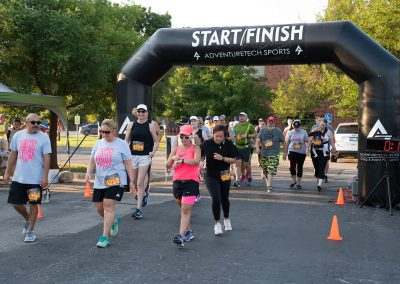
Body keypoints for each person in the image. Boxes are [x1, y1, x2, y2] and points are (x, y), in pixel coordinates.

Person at [86, 119, 135, 248]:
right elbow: (92, 160)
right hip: (100, 180)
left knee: (108, 205)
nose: (104, 134)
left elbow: (128, 164)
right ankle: (113, 221)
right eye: (102, 132)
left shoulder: (122, 144)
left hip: (116, 179)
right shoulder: (98, 144)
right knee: (98, 207)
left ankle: (104, 237)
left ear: (114, 130)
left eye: (107, 132)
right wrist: (88, 172)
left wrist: (132, 182)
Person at [4, 113, 51, 242]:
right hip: (19, 178)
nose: (36, 125)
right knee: (15, 203)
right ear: (27, 122)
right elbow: (13, 154)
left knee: (33, 204)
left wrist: (45, 177)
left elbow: (47, 157)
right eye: (33, 122)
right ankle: (28, 219)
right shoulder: (18, 135)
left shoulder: (44, 138)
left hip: (35, 180)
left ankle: (30, 231)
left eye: (38, 122)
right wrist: (7, 172)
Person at [166, 124, 201, 247]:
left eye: (187, 137)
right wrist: (172, 160)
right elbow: (167, 166)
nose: (184, 139)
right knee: (183, 209)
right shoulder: (176, 149)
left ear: (191, 136)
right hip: (177, 182)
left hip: (191, 182)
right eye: (182, 136)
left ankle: (180, 236)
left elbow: (196, 161)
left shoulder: (195, 148)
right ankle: (189, 232)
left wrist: (182, 161)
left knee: (185, 209)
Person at [124, 104, 159, 219]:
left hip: (144, 156)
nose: (141, 114)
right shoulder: (131, 125)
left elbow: (156, 140)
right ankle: (144, 193)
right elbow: (126, 140)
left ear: (147, 114)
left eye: (143, 112)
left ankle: (138, 209)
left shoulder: (150, 126)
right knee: (133, 181)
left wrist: (153, 152)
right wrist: (124, 153)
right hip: (133, 156)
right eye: (139, 112)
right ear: (137, 113)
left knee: (139, 182)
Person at [200, 124, 237, 235]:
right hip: (211, 174)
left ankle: (226, 218)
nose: (219, 139)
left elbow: (234, 160)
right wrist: (201, 162)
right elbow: (199, 155)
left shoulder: (228, 144)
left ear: (225, 136)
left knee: (224, 198)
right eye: (217, 136)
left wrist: (223, 158)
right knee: (216, 199)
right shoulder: (206, 144)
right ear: (213, 134)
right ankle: (217, 223)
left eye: (221, 137)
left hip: (225, 173)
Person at [255, 116, 285, 192]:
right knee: (265, 170)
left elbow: (284, 142)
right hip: (264, 153)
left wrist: (285, 152)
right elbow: (258, 140)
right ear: (267, 122)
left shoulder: (278, 131)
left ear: (274, 122)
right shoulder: (263, 130)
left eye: (272, 122)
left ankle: (269, 186)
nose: (270, 123)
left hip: (274, 153)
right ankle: (268, 183)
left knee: (270, 169)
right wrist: (258, 148)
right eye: (269, 122)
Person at [308, 119, 336, 192]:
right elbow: (310, 140)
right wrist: (307, 148)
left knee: (322, 167)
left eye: (323, 125)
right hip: (315, 151)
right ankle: (318, 178)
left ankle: (319, 185)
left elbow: (332, 142)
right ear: (319, 124)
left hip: (324, 151)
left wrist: (334, 149)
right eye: (321, 125)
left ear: (326, 125)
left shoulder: (329, 132)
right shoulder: (314, 130)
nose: (322, 126)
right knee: (316, 167)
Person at [282, 120, 309, 189]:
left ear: (300, 126)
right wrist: (285, 152)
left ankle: (298, 183)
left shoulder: (304, 132)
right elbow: (287, 142)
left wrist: (305, 141)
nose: (296, 128)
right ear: (293, 126)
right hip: (292, 151)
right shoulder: (291, 132)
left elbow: (308, 141)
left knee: (300, 167)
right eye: (295, 127)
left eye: (297, 127)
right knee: (292, 167)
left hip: (301, 152)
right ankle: (294, 181)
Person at [233, 112, 256, 187]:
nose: (241, 118)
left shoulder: (250, 126)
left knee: (246, 164)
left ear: (246, 117)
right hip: (237, 147)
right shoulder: (236, 126)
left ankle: (249, 175)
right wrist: (236, 137)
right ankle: (237, 180)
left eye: (243, 116)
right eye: (240, 116)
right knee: (238, 163)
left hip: (246, 147)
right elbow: (234, 135)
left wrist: (247, 135)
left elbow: (255, 135)